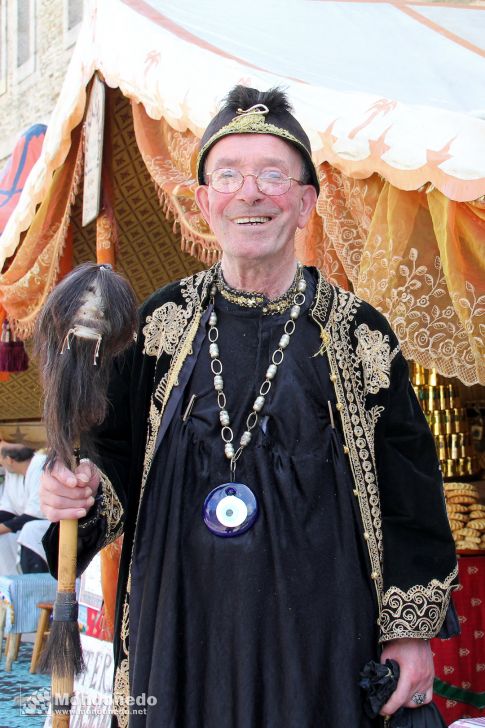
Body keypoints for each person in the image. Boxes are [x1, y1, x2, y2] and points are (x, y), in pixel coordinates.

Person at [40, 86, 458, 728]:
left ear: (306, 203)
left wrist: (409, 632)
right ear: (205, 201)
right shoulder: (158, 326)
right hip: (179, 631)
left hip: (322, 637)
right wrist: (80, 489)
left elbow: (410, 491)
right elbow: (111, 455)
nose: (250, 192)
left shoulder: (358, 335)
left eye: (272, 174)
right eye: (228, 175)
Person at [0, 443, 48, 574]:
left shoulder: (41, 465)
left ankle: (32, 583)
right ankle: (7, 582)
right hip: (27, 522)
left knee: (30, 530)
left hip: (51, 524)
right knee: (3, 537)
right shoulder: (13, 472)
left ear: (9, 459)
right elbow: (8, 510)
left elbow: (34, 515)